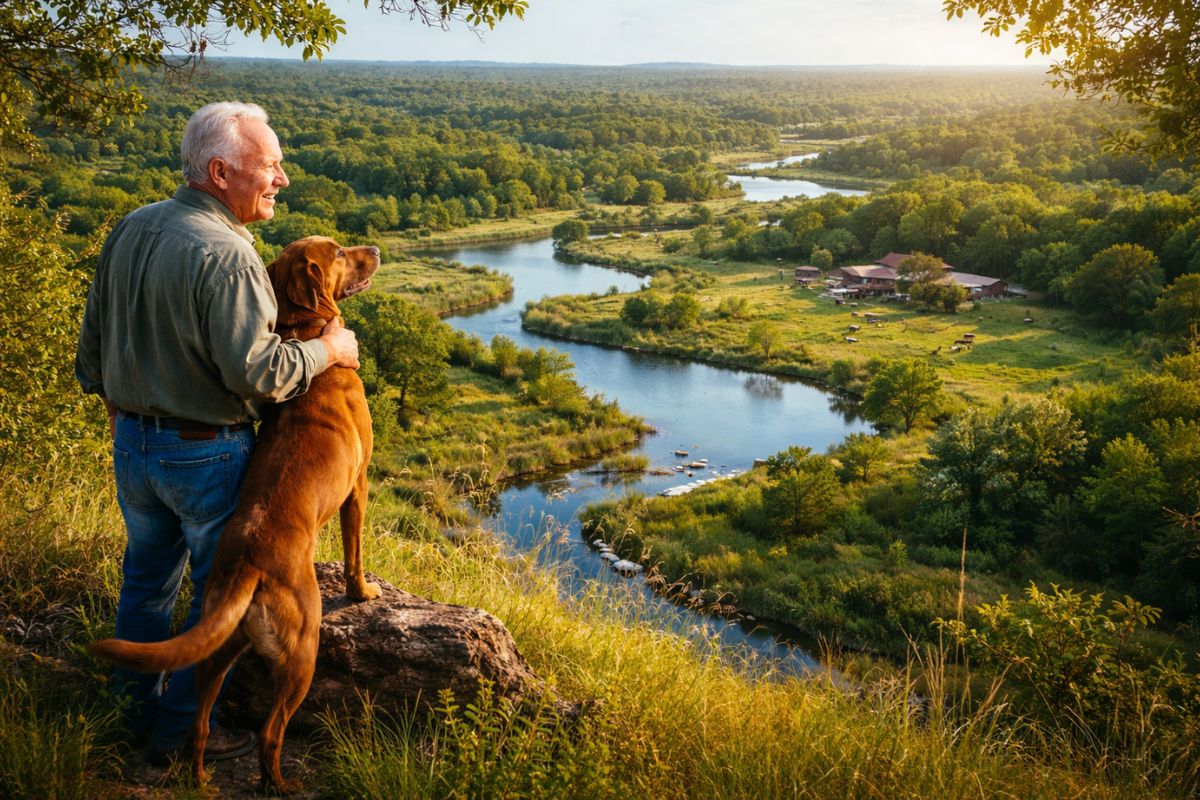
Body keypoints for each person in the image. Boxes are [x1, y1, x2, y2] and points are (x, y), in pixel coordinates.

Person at [75, 101, 360, 764]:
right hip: (206, 453)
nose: (281, 179)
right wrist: (330, 351)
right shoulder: (230, 256)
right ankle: (177, 740)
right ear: (220, 170)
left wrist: (123, 407)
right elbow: (260, 374)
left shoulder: (132, 226)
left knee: (145, 586)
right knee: (218, 602)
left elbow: (91, 346)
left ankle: (130, 716)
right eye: (270, 166)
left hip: (135, 448)